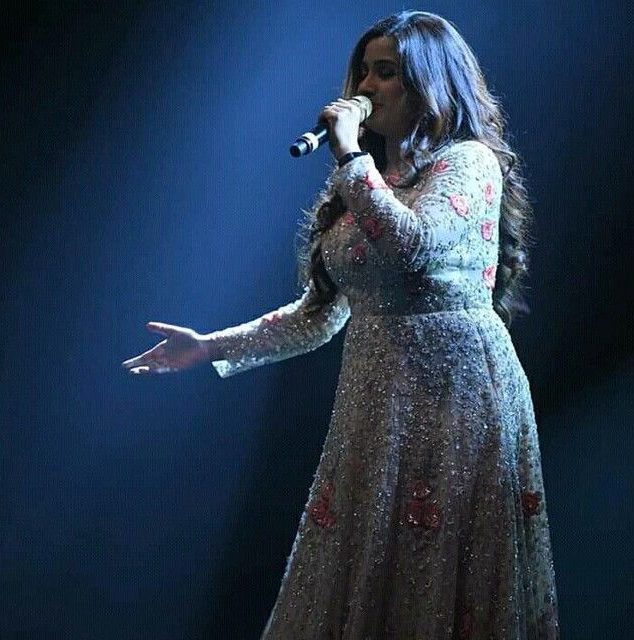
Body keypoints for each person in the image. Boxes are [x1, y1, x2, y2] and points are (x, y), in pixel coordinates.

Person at [122, 10, 559, 639]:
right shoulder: (367, 184)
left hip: (457, 399)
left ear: (430, 85)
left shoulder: (466, 164)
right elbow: (317, 315)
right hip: (376, 410)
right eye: (364, 71)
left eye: (387, 73)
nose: (366, 87)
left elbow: (415, 244)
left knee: (443, 575)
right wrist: (209, 347)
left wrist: (351, 155)